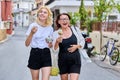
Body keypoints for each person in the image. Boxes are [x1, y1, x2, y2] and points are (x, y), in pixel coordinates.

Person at [52, 13, 85, 80]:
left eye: (66, 19)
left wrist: (77, 46)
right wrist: (57, 42)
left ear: (69, 21)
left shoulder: (75, 30)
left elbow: (82, 41)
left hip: (75, 60)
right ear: (59, 22)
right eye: (62, 19)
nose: (65, 21)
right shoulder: (56, 33)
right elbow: (54, 50)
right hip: (62, 61)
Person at [25, 6, 53, 80]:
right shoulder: (33, 26)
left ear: (48, 15)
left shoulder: (50, 28)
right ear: (38, 14)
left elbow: (50, 45)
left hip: (46, 53)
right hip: (35, 53)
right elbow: (27, 44)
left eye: (45, 12)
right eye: (41, 12)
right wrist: (31, 33)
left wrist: (50, 44)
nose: (42, 14)